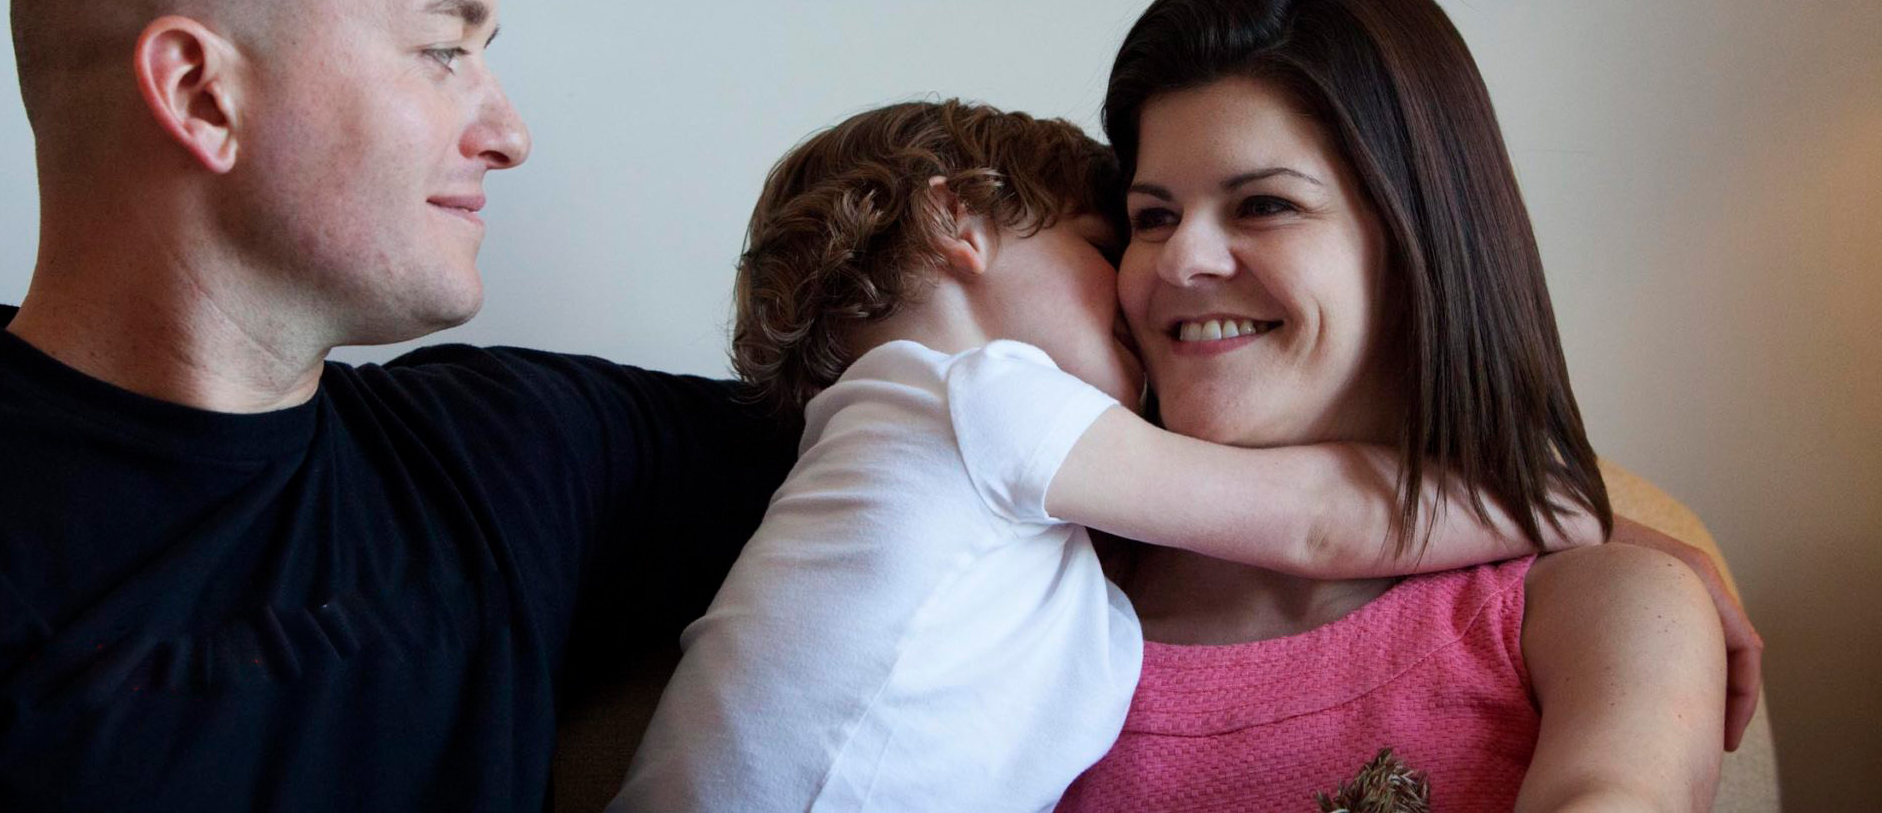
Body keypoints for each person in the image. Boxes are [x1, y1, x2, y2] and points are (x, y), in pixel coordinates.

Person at [0, 0, 796, 811]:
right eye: (442, 50)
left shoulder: (518, 456)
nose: (507, 134)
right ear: (203, 96)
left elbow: (932, 420)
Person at [612, 99, 1598, 813]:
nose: (1146, 282)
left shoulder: (896, 455)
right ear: (961, 224)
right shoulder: (980, 398)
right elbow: (1315, 517)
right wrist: (1565, 507)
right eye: (1107, 238)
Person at [1057, 0, 1730, 811]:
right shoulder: (1032, 586)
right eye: (1154, 216)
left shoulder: (1600, 607)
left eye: (1265, 204)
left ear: (1421, 247)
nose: (1180, 260)